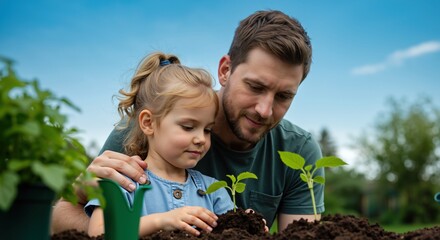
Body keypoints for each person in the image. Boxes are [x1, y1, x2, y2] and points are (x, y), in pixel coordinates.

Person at [52, 9, 324, 233]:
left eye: (284, 96)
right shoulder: (142, 132)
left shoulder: (298, 150)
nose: (265, 110)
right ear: (226, 70)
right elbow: (69, 223)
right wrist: (80, 189)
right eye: (255, 86)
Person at [86, 52, 234, 237]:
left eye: (207, 130)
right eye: (188, 127)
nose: (201, 139)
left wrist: (248, 223)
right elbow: (98, 233)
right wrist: (161, 221)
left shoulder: (213, 191)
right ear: (148, 122)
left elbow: (233, 233)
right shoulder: (122, 182)